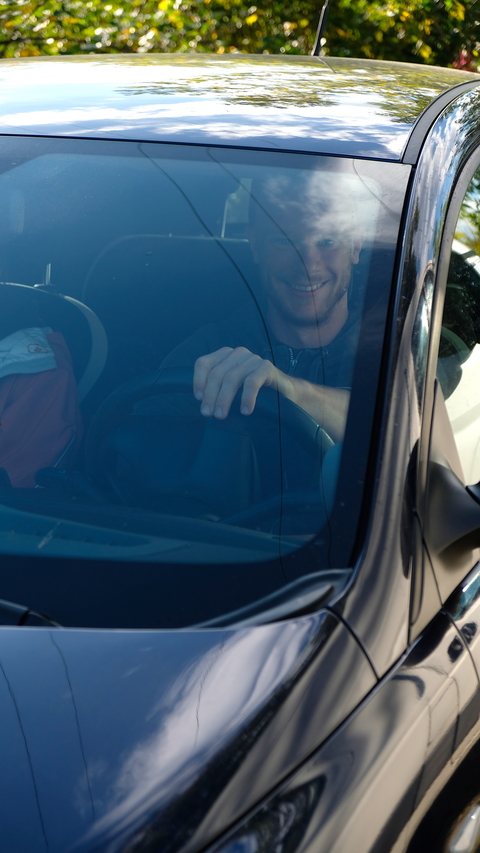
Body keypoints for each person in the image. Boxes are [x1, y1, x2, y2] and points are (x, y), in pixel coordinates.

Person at [159, 167, 366, 444]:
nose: (307, 264)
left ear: (355, 245)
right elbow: (135, 458)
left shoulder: (392, 353)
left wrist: (292, 391)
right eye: (283, 241)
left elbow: (420, 439)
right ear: (255, 245)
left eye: (327, 241)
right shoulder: (205, 352)